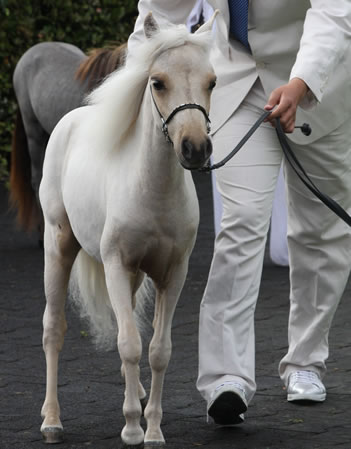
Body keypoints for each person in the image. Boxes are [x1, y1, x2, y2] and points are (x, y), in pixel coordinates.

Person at [128, 0, 351, 425]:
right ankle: (225, 377)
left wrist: (302, 81)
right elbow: (160, 10)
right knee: (242, 221)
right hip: (233, 82)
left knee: (321, 231)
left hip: (319, 79)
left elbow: (336, 11)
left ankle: (305, 360)